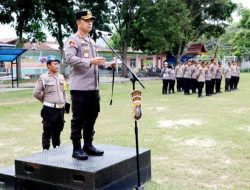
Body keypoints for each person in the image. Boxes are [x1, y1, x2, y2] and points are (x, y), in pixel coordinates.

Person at [64, 10, 116, 160]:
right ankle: (76, 148)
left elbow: (95, 62)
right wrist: (90, 62)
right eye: (86, 20)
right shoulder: (73, 40)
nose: (90, 22)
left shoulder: (91, 41)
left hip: (93, 88)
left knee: (92, 116)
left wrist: (107, 64)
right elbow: (70, 59)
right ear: (78, 23)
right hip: (80, 88)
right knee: (78, 118)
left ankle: (88, 145)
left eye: (91, 20)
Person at [33, 55, 66, 150]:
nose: (57, 66)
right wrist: (46, 101)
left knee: (58, 131)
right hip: (49, 109)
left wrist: (65, 106)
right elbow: (36, 93)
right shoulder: (43, 78)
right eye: (55, 64)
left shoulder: (61, 77)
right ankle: (45, 151)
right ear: (48, 65)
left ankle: (57, 149)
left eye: (58, 64)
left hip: (60, 109)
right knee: (47, 131)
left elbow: (64, 92)